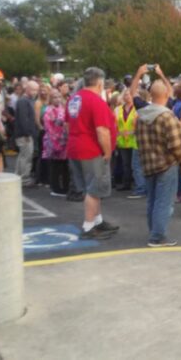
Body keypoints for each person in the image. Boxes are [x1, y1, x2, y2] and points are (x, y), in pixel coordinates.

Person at [66, 67, 120, 240]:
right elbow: (102, 130)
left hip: (75, 146)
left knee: (88, 187)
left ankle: (97, 220)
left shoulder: (74, 99)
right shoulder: (95, 101)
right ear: (100, 83)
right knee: (95, 188)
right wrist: (107, 152)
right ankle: (89, 226)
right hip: (91, 149)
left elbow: (67, 125)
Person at [135, 80, 181, 247]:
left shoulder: (141, 116)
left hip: (148, 163)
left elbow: (138, 141)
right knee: (164, 202)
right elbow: (177, 144)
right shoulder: (167, 116)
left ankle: (154, 231)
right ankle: (158, 236)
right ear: (166, 95)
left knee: (152, 200)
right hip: (167, 164)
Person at [43, 90, 69, 197]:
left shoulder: (63, 109)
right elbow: (49, 128)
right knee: (55, 166)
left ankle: (65, 187)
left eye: (59, 96)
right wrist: (56, 141)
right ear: (51, 99)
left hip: (64, 141)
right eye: (54, 97)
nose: (57, 99)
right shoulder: (48, 111)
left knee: (64, 166)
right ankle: (55, 187)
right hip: (54, 141)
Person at [14, 81, 39, 187]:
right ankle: (24, 178)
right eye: (33, 90)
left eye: (36, 90)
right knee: (26, 156)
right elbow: (24, 119)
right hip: (24, 135)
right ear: (27, 89)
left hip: (23, 134)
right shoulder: (24, 101)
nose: (35, 92)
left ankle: (19, 176)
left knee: (23, 156)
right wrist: (27, 134)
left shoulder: (24, 100)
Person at [115, 89, 139, 192]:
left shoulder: (137, 109)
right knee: (125, 163)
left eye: (129, 95)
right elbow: (115, 124)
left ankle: (136, 184)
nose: (127, 97)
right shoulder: (118, 109)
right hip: (122, 140)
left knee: (134, 164)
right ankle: (126, 184)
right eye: (125, 95)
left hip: (133, 140)